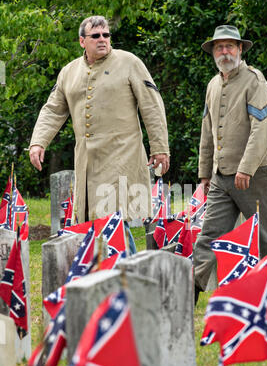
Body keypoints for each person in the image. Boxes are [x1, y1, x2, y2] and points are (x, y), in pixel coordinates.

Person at [29, 15, 170, 231]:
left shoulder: (129, 62)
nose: (102, 39)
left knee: (113, 225)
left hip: (121, 158)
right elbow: (53, 110)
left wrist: (159, 148)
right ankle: (114, 264)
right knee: (92, 227)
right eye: (95, 36)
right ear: (82, 41)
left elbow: (152, 106)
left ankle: (124, 264)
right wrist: (38, 142)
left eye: (106, 35)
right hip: (86, 163)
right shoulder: (69, 72)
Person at [194, 24, 267, 292]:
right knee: (207, 237)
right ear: (213, 52)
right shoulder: (212, 84)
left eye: (230, 46)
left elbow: (262, 129)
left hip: (253, 177)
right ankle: (187, 296)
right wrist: (205, 175)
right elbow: (207, 133)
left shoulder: (255, 80)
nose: (224, 51)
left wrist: (245, 169)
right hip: (221, 178)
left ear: (240, 49)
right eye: (219, 47)